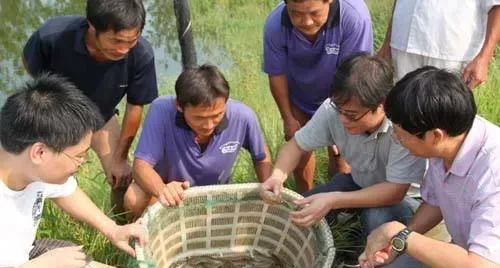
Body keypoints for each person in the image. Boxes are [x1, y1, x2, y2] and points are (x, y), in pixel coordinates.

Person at [260, 54, 426, 267]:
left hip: (407, 199)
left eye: (352, 115)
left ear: (382, 105)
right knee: (301, 210)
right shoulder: (335, 108)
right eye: (340, 111)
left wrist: (334, 200)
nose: (343, 120)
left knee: (375, 218)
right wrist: (277, 176)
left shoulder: (402, 125)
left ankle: (379, 255)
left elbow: (395, 191)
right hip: (358, 182)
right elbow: (296, 145)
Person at [22, 0, 158, 214]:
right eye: (116, 41)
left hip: (100, 118)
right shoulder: (53, 36)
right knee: (33, 173)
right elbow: (30, 65)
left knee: (122, 177)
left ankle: (122, 228)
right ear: (92, 26)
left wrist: (120, 159)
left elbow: (134, 108)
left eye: (131, 41)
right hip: (58, 114)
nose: (123, 50)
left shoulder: (141, 54)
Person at [0, 74, 146, 268]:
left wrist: (112, 229)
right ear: (39, 152)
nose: (82, 163)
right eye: (78, 156)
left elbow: (66, 191)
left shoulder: (28, 164)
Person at [359, 67, 500, 268]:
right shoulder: (450, 135)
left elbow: (482, 264)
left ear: (435, 136)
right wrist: (399, 240)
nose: (398, 141)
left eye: (401, 136)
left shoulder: (493, 175)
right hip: (463, 250)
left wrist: (398, 235)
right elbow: (436, 201)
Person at [124, 64, 273, 220]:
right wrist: (164, 189)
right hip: (174, 197)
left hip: (216, 197)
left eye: (217, 115)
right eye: (199, 118)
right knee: (133, 199)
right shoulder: (161, 111)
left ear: (226, 103)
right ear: (179, 106)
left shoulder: (243, 116)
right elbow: (140, 167)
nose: (208, 125)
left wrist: (270, 189)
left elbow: (262, 157)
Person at [262, 0, 373, 193]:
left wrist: (341, 120)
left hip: (342, 98)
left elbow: (354, 76)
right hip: (300, 98)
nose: (306, 22)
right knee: (300, 158)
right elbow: (276, 75)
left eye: (314, 13)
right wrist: (288, 117)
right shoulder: (275, 24)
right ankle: (304, 200)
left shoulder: (354, 17)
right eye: (296, 13)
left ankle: (340, 209)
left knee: (341, 160)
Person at [379, 0, 500, 86]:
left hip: (450, 50)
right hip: (404, 43)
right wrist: (387, 41)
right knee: (402, 107)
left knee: (444, 112)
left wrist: (484, 58)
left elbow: (497, 6)